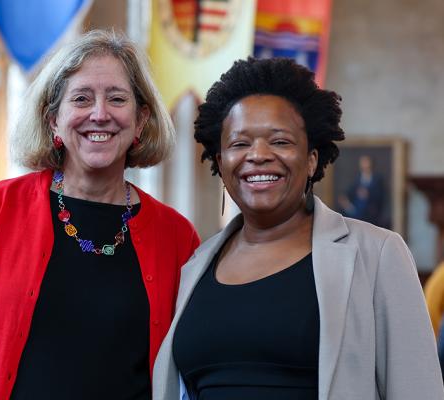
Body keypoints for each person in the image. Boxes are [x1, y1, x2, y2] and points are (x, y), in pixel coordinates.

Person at [152, 57, 443, 400]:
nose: (258, 155)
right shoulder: (194, 266)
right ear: (220, 161)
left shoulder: (377, 254)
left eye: (280, 141)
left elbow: (418, 391)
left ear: (311, 159)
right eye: (240, 143)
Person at [0, 30, 200, 400]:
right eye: (81, 98)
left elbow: (190, 363)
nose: (100, 114)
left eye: (117, 98)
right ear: (54, 120)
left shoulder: (177, 235)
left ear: (140, 121)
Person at [337, 154, 385, 227]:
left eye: (366, 162)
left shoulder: (378, 178)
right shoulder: (357, 177)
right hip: (356, 206)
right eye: (363, 162)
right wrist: (344, 198)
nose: (364, 165)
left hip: (370, 209)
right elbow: (350, 191)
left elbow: (381, 196)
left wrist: (368, 194)